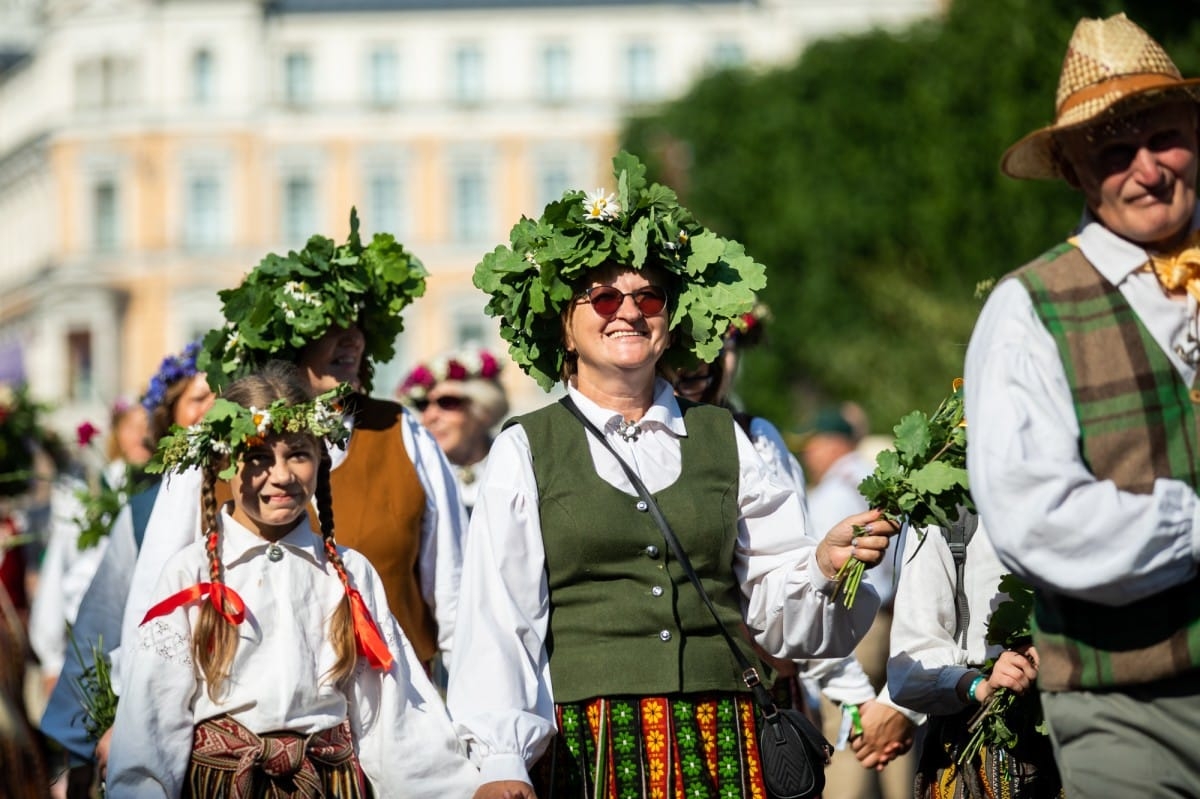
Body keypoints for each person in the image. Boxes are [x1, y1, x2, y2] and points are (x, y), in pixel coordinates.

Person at [448, 152, 896, 798]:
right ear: (566, 327)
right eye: (603, 295)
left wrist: (823, 564)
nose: (626, 310)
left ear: (667, 322)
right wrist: (500, 760)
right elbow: (501, 617)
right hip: (594, 749)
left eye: (647, 296)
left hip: (725, 746)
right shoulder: (526, 449)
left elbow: (775, 606)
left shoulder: (729, 441)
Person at [964, 13, 1200, 795]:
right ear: (1073, 170)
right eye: (1113, 151)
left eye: (1163, 137)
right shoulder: (1030, 308)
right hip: (1125, 706)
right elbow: (1036, 519)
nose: (1147, 170)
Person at [121, 210, 468, 693]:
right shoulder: (221, 436)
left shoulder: (399, 429)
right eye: (329, 323)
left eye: (358, 322)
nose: (352, 336)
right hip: (245, 721)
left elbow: (456, 595)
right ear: (286, 335)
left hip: (399, 719)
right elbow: (156, 598)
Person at [106, 361, 479, 797]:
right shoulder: (190, 574)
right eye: (259, 457)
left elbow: (392, 716)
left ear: (321, 459)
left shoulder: (349, 572)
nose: (280, 476)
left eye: (298, 454)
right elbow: (150, 724)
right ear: (226, 463)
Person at [677, 320, 919, 799]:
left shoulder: (756, 438)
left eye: (718, 345)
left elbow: (794, 577)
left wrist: (852, 694)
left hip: (762, 694)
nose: (700, 360)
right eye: (684, 344)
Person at [39, 342, 214, 796]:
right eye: (198, 399)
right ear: (168, 419)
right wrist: (84, 735)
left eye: (221, 396)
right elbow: (105, 616)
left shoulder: (260, 499)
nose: (212, 409)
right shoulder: (142, 510)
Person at [887, 514, 1061, 798]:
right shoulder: (947, 511)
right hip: (987, 742)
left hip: (1096, 732)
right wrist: (978, 685)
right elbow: (909, 668)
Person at [398, 347, 509, 515]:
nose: (430, 416)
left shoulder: (513, 466)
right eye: (422, 404)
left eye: (447, 402)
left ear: (483, 410)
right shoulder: (411, 478)